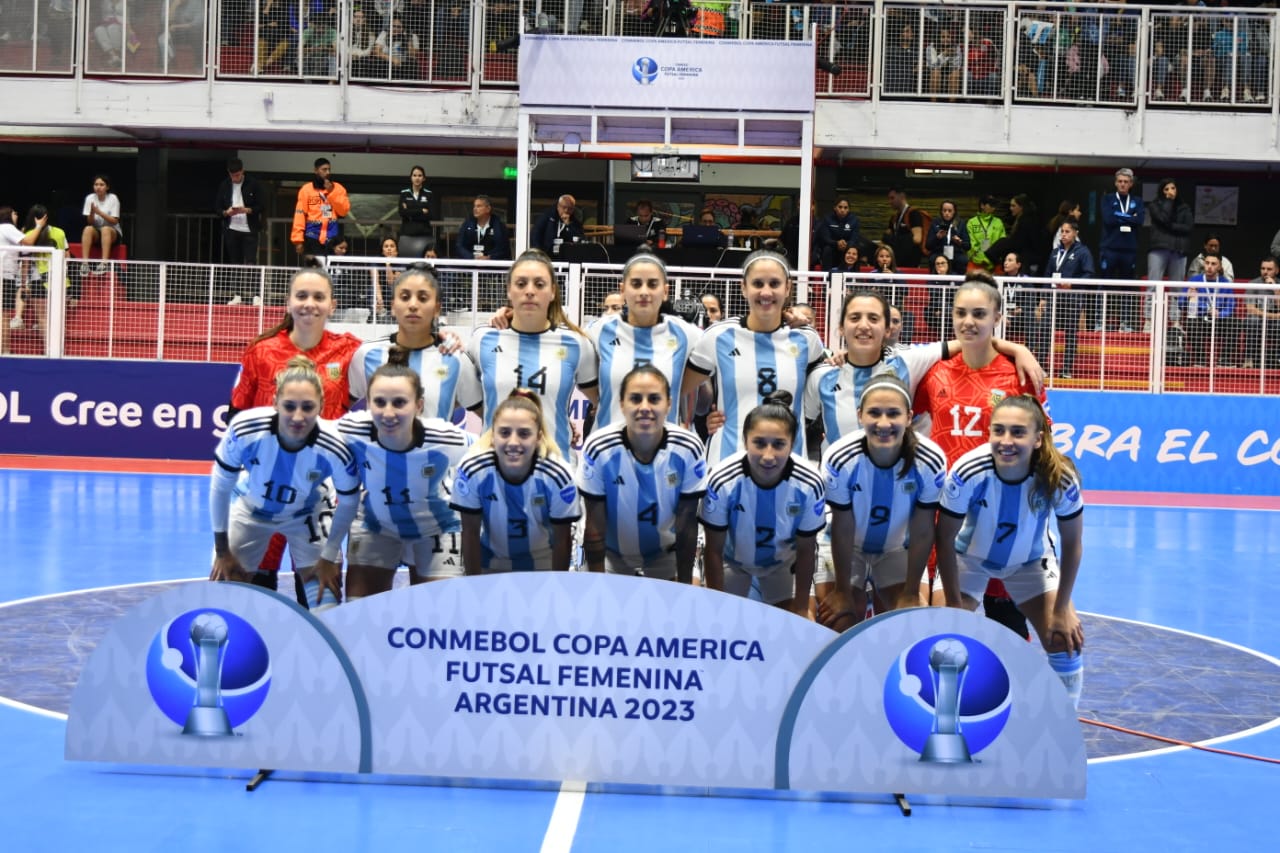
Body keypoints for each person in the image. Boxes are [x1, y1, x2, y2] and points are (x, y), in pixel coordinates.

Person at [913, 274, 1046, 640]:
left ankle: (1007, 690)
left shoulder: (1018, 373)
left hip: (1000, 512)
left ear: (996, 317)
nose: (969, 321)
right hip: (948, 512)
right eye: (961, 313)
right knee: (947, 623)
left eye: (979, 313)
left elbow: (1041, 438)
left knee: (1008, 627)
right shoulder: (934, 373)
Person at [935, 394, 1085, 709]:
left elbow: (1072, 544)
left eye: (1018, 432)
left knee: (1064, 641)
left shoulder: (1060, 478)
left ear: (1038, 439)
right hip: (970, 559)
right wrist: (952, 605)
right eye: (998, 431)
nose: (1006, 440)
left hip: (1029, 563)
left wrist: (1061, 609)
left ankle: (1062, 723)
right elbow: (945, 537)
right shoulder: (969, 470)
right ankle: (948, 721)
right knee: (944, 639)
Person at [209, 356, 360, 611]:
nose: (298, 417)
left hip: (309, 513)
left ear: (321, 406)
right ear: (275, 402)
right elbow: (220, 487)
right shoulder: (246, 428)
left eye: (307, 407)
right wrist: (222, 550)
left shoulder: (335, 444)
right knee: (226, 598)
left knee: (326, 604)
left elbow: (348, 501)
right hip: (252, 509)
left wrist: (328, 555)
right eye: (289, 406)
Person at [337, 349, 474, 599]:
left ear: (419, 406)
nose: (388, 413)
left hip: (437, 526)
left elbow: (493, 447)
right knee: (359, 615)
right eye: (379, 402)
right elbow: (307, 433)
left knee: (437, 622)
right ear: (368, 403)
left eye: (400, 403)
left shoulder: (445, 436)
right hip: (375, 524)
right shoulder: (351, 428)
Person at [818, 374, 947, 629]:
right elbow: (842, 526)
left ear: (909, 417)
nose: (883, 423)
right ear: (860, 415)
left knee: (910, 622)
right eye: (874, 413)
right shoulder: (840, 458)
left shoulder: (930, 460)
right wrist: (842, 590)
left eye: (893, 414)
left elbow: (922, 530)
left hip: (897, 549)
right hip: (845, 547)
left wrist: (911, 592)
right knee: (840, 620)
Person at [683, 250, 826, 464]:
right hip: (727, 465)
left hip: (791, 466)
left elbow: (826, 389)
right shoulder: (718, 336)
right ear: (743, 287)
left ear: (787, 288)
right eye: (758, 284)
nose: (766, 292)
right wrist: (702, 423)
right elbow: (679, 388)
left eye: (774, 284)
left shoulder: (806, 340)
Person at [700, 391, 826, 616]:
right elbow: (713, 551)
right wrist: (716, 607)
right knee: (720, 623)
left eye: (779, 445)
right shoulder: (722, 480)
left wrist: (799, 609)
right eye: (759, 443)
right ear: (745, 441)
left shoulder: (809, 482)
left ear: (792, 443)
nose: (768, 456)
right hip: (732, 560)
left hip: (785, 563)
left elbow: (807, 551)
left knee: (802, 624)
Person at [466, 249, 598, 458]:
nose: (529, 291)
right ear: (509, 290)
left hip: (555, 470)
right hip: (493, 469)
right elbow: (459, 395)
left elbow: (604, 401)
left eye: (539, 284)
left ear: (553, 291)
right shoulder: (482, 340)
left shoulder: (577, 344)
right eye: (521, 284)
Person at [579, 365, 706, 581]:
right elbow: (594, 525)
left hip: (667, 555)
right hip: (611, 555)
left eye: (654, 399)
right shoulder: (598, 447)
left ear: (669, 405)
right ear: (621, 404)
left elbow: (687, 526)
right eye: (635, 399)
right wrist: (596, 584)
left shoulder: (689, 447)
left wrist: (684, 587)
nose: (644, 407)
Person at [451, 390, 581, 573]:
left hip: (544, 566)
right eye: (504, 433)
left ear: (539, 438)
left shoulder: (557, 474)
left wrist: (556, 585)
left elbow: (562, 539)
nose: (513, 442)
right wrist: (474, 586)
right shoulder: (472, 469)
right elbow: (470, 533)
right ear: (492, 436)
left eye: (524, 434)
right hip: (489, 564)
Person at [349, 263, 482, 417]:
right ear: (392, 306)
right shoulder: (366, 355)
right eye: (405, 297)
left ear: (437, 308)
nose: (413, 305)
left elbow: (487, 417)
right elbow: (338, 410)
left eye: (422, 298)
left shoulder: (456, 359)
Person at [590, 253, 700, 430]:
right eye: (636, 284)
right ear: (623, 290)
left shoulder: (686, 334)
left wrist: (715, 414)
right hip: (607, 451)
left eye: (652, 284)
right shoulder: (597, 331)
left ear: (665, 292)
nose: (644, 292)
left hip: (665, 452)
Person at [1046, 218, 1095, 379]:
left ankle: (1066, 368)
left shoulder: (1083, 251)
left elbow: (1089, 274)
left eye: (1067, 231)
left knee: (1070, 333)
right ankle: (1042, 365)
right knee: (1045, 330)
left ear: (1075, 233)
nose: (1064, 235)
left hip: (1072, 298)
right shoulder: (1055, 252)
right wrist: (1044, 297)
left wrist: (1072, 284)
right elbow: (1047, 275)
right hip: (1054, 296)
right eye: (1062, 232)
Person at [1098, 167, 1144, 332]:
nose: (1123, 184)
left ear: (1131, 184)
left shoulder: (1137, 201)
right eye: (1120, 181)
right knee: (1104, 285)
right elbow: (1109, 219)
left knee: (1127, 287)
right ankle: (1100, 322)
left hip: (1129, 249)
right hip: (1109, 247)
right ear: (1116, 183)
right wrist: (1129, 217)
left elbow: (1139, 220)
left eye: (1126, 182)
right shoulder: (1107, 199)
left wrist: (1120, 215)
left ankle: (1125, 323)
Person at [9, 205, 68, 332]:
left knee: (42, 318)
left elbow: (26, 262)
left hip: (40, 279)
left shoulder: (30, 235)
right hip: (59, 277)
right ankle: (56, 349)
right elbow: (66, 255)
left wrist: (24, 283)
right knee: (55, 319)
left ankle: (49, 350)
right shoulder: (60, 232)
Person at [1145, 178, 1193, 332]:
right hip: (1158, 248)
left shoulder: (1184, 207)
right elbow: (1163, 217)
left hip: (1178, 250)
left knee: (1177, 287)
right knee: (1153, 285)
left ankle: (1176, 321)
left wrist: (1170, 227)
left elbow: (1188, 227)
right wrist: (1168, 202)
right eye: (1166, 189)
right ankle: (1149, 320)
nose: (1170, 192)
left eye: (1172, 188)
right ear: (1161, 191)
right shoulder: (1154, 205)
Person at [215, 157, 264, 305]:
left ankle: (256, 295)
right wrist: (226, 212)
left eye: (237, 175)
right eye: (232, 175)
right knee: (235, 261)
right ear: (229, 173)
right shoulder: (224, 185)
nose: (235, 178)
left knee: (250, 261)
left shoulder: (253, 184)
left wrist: (246, 210)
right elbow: (217, 208)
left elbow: (261, 205)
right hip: (232, 228)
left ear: (243, 171)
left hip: (249, 228)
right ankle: (237, 294)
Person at [1181, 252, 1238, 368]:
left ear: (1219, 266)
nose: (1209, 267)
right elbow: (1181, 305)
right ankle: (1200, 359)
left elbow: (1231, 306)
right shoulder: (1194, 280)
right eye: (1207, 263)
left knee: (1234, 322)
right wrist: (1187, 296)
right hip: (1200, 318)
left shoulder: (1225, 283)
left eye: (1213, 264)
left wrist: (1220, 314)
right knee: (1191, 322)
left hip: (1219, 320)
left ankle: (1224, 360)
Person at [291, 157, 350, 258]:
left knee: (330, 269)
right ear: (315, 171)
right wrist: (298, 240)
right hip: (312, 234)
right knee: (314, 269)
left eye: (329, 169)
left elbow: (343, 211)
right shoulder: (306, 190)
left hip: (332, 236)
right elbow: (300, 214)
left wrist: (332, 192)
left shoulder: (338, 188)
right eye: (324, 169)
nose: (327, 172)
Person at [987, 193, 1045, 277]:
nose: (1011, 208)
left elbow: (1020, 243)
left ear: (1021, 207)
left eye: (1013, 206)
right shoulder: (1022, 220)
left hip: (1027, 262)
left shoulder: (1027, 222)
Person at [1242, 257, 1280, 369]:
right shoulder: (1253, 284)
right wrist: (1275, 316)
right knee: (1252, 320)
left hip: (1274, 323)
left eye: (1269, 269)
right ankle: (1249, 359)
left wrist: (1275, 289)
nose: (1265, 272)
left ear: (1277, 271)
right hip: (1258, 320)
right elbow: (1251, 309)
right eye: (1263, 268)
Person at [80, 174, 122, 272]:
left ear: (107, 187)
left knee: (105, 229)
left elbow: (115, 220)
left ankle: (104, 263)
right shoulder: (89, 198)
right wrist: (92, 212)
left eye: (101, 185)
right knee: (87, 229)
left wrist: (99, 212)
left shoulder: (113, 198)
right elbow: (90, 222)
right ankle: (85, 264)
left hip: (113, 233)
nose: (98, 187)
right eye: (96, 184)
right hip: (97, 233)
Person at [924, 199, 971, 282]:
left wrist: (960, 242)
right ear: (941, 212)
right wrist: (937, 237)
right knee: (933, 259)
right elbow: (928, 246)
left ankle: (959, 285)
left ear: (954, 212)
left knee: (963, 260)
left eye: (950, 211)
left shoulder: (960, 223)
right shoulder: (936, 223)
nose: (947, 213)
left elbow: (967, 246)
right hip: (939, 253)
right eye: (944, 210)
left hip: (955, 252)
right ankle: (935, 284)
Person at [454, 194, 511, 261]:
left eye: (479, 206)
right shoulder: (467, 224)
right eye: (474, 206)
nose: (475, 209)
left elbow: (503, 249)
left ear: (488, 209)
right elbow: (459, 246)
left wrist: (490, 257)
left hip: (492, 266)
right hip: (470, 264)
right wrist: (471, 257)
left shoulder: (499, 226)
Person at [883, 186, 927, 268]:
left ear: (902, 196)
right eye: (889, 198)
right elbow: (886, 237)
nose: (890, 201)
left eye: (892, 198)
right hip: (896, 259)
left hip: (910, 261)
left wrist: (896, 240)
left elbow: (917, 239)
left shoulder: (913, 214)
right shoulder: (894, 218)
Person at [397, 165, 435, 259]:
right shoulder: (404, 193)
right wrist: (421, 210)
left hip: (424, 233)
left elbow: (431, 215)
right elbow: (402, 213)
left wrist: (410, 211)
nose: (417, 178)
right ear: (411, 177)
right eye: (414, 175)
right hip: (407, 234)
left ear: (424, 178)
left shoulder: (429, 194)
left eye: (419, 175)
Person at [530, 194, 585, 258]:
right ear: (558, 206)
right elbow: (536, 233)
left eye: (570, 209)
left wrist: (568, 225)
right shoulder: (548, 215)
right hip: (547, 253)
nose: (566, 211)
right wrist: (538, 253)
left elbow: (580, 237)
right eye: (564, 207)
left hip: (568, 255)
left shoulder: (575, 220)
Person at [814, 198, 862, 271]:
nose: (842, 210)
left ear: (848, 209)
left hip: (847, 247)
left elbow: (854, 238)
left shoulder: (854, 220)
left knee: (854, 250)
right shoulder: (827, 218)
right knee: (827, 249)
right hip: (832, 247)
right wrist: (837, 243)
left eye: (845, 208)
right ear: (835, 208)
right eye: (840, 207)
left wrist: (846, 244)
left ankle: (854, 277)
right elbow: (825, 237)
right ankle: (827, 277)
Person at [966, 194, 1007, 272]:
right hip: (977, 263)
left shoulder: (998, 222)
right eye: (991, 204)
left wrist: (992, 258)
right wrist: (982, 258)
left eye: (994, 205)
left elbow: (1002, 242)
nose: (993, 207)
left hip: (994, 262)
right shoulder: (972, 222)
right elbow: (971, 244)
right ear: (982, 205)